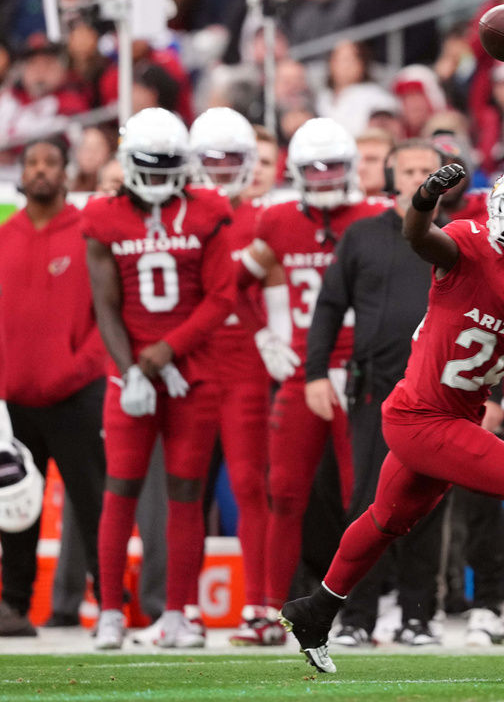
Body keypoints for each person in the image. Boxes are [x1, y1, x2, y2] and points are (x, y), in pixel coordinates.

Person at [278, 166, 504, 674]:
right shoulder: (470, 247)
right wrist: (425, 198)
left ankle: (315, 611)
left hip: (457, 413)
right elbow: (418, 234)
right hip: (420, 415)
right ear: (502, 212)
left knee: (385, 520)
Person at [83, 108, 237, 650]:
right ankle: (108, 611)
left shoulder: (209, 210)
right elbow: (106, 304)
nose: (153, 182)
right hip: (130, 371)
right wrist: (132, 372)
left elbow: (222, 296)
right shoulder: (103, 215)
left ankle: (178, 611)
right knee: (119, 489)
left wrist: (166, 354)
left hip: (191, 372)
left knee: (186, 493)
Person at [236, 118, 389, 616]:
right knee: (283, 491)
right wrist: (263, 334)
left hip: (362, 374)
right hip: (305, 373)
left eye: (333, 170)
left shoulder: (375, 216)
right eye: (313, 170)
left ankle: (363, 609)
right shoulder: (277, 220)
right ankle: (267, 607)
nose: (324, 179)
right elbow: (235, 282)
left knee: (363, 497)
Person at [304, 139, 442, 647]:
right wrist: (315, 372)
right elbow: (328, 307)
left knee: (427, 505)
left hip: (439, 393)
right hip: (373, 390)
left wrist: (494, 392)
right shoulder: (360, 236)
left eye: (427, 170)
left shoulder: (456, 240)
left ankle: (418, 616)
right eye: (408, 170)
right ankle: (357, 617)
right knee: (366, 501)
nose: (417, 178)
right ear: (391, 178)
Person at [0, 138, 107, 637]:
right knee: (15, 506)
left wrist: (77, 368)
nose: (40, 171)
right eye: (32, 163)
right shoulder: (5, 236)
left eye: (50, 163)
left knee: (93, 504)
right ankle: (13, 608)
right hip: (14, 399)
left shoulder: (88, 233)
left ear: (66, 173)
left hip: (76, 396)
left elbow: (104, 316)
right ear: (22, 174)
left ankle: (110, 604)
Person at [187, 108, 280, 646]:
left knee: (249, 484)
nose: (221, 171)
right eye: (211, 160)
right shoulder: (180, 216)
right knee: (185, 489)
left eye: (232, 160)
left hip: (245, 363)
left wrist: (277, 339)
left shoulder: (268, 218)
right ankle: (178, 609)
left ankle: (259, 606)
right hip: (194, 364)